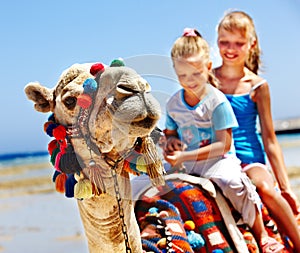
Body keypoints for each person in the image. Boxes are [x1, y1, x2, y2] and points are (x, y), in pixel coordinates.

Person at [163, 27, 284, 253]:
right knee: (148, 184)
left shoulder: (216, 101)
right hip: (188, 162)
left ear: (208, 68)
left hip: (218, 160)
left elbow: (223, 145)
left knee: (232, 183)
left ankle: (262, 234)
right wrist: (170, 143)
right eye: (182, 76)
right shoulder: (172, 104)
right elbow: (171, 133)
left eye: (196, 74)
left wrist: (183, 155)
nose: (189, 81)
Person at [213, 10, 300, 251]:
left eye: (238, 43)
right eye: (224, 42)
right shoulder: (207, 80)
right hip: (216, 157)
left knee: (262, 187)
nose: (230, 49)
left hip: (250, 160)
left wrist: (285, 187)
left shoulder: (257, 86)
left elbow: (270, 140)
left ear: (251, 44)